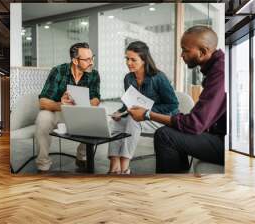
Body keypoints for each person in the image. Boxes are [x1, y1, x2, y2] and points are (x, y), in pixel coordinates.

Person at [128, 26, 226, 173]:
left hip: (223, 144)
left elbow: (194, 123)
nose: (181, 55)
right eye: (127, 59)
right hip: (213, 134)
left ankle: (170, 188)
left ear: (203, 52)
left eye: (185, 50)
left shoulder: (220, 73)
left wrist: (148, 114)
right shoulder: (128, 78)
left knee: (165, 135)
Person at [108, 41, 179, 174]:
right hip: (142, 117)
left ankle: (124, 167)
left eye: (133, 59)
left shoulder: (158, 77)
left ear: (144, 60)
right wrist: (120, 111)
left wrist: (146, 111)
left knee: (133, 120)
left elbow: (173, 104)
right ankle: (114, 165)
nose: (129, 63)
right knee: (116, 122)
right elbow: (129, 102)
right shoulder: (128, 78)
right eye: (127, 59)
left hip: (163, 119)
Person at [35, 42, 100, 172]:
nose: (91, 62)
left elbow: (96, 98)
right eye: (87, 59)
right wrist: (61, 104)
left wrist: (85, 104)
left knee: (96, 117)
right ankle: (43, 163)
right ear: (75, 60)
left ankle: (82, 156)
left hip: (80, 112)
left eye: (92, 58)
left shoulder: (94, 74)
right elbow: (42, 102)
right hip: (58, 111)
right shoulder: (59, 71)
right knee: (43, 118)